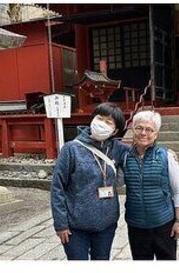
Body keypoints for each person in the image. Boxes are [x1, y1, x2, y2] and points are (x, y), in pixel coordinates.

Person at [51, 103, 127, 260]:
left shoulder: (118, 148)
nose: (102, 124)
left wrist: (166, 152)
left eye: (109, 122)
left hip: (106, 224)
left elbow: (141, 150)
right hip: (75, 226)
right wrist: (61, 224)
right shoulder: (71, 149)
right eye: (100, 118)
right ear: (92, 119)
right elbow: (58, 187)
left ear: (116, 130)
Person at [120, 110, 179, 260]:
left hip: (163, 224)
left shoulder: (166, 156)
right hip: (136, 225)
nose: (143, 133)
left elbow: (178, 191)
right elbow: (117, 182)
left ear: (156, 134)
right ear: (132, 130)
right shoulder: (124, 157)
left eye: (149, 129)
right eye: (139, 128)